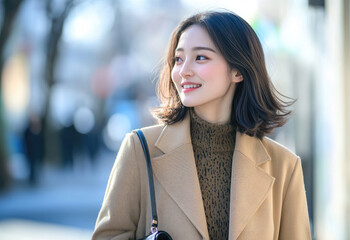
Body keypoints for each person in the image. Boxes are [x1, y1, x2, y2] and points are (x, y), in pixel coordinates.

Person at [92, 10, 311, 240]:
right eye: (178, 59)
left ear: (237, 71)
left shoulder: (284, 166)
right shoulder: (140, 148)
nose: (183, 71)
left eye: (200, 58)